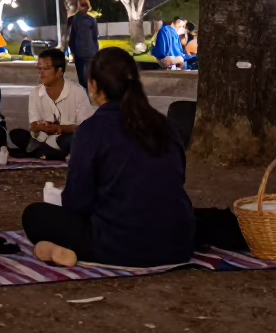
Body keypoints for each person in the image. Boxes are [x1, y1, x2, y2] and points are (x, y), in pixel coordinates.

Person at [22, 46, 195, 268]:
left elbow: (77, 203)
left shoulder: (92, 130)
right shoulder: (164, 125)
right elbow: (176, 179)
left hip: (120, 245)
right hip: (178, 243)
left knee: (34, 216)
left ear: (93, 86)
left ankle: (67, 249)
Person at [9, 48, 94, 160]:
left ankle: (38, 152)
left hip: (65, 139)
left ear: (59, 71)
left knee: (76, 139)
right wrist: (40, 127)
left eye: (46, 68)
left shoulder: (77, 91)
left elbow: (83, 127)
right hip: (43, 140)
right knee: (16, 134)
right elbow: (33, 124)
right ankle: (49, 153)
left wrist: (59, 128)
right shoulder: (35, 93)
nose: (41, 73)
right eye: (39, 68)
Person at [66, 0, 99, 87]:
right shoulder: (92, 20)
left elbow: (72, 36)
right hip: (90, 52)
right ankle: (87, 94)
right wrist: (96, 51)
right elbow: (95, 37)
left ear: (79, 6)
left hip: (79, 52)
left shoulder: (74, 19)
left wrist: (72, 49)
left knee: (81, 77)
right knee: (88, 76)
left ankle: (84, 95)